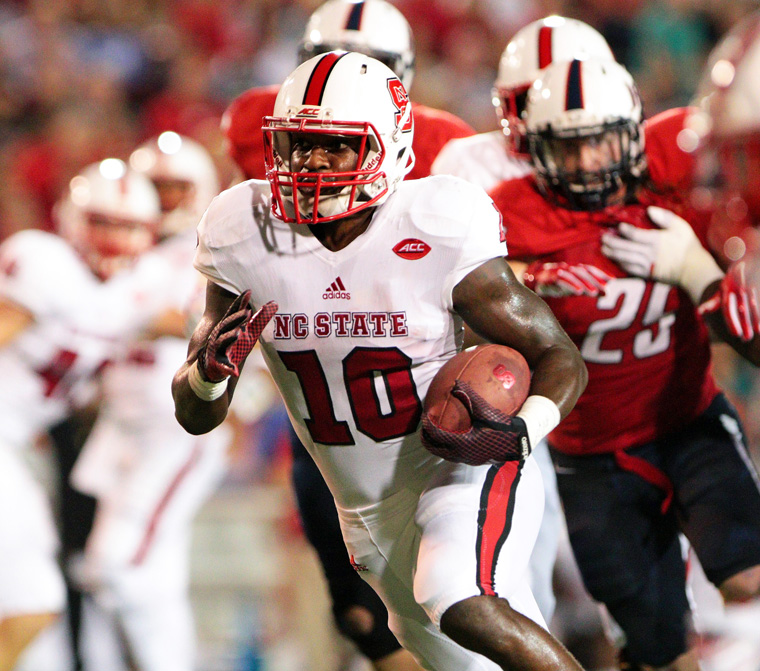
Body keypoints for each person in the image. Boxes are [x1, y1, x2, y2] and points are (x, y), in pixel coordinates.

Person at [173, 51, 589, 671]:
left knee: (460, 596)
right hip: (364, 510)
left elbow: (559, 357)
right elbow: (195, 415)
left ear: (388, 148)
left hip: (458, 459)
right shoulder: (242, 229)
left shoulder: (435, 223)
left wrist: (516, 432)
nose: (309, 163)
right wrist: (208, 376)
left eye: (334, 147)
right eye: (297, 144)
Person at [221, 2, 474, 668]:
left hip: (427, 409)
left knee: (470, 610)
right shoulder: (259, 126)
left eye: (373, 68)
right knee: (366, 617)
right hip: (325, 406)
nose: (342, 78)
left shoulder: (451, 150)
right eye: (323, 59)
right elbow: (253, 262)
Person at [487, 56, 760, 671]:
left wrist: (696, 269)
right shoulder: (511, 214)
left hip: (689, 422)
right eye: (569, 147)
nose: (587, 164)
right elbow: (457, 281)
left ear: (633, 135)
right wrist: (526, 279)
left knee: (750, 578)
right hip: (592, 459)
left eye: (601, 142)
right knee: (658, 651)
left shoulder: (681, 177)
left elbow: (749, 323)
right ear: (537, 148)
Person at [431, 14, 617, 626]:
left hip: (615, 381)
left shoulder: (621, 164)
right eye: (525, 101)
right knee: (523, 565)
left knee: (622, 580)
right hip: (519, 381)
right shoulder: (471, 163)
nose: (544, 115)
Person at [66, 133, 230, 671]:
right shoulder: (129, 252)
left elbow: (189, 320)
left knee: (116, 568)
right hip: (118, 426)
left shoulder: (202, 251)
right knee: (132, 576)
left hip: (172, 427)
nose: (161, 201)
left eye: (173, 189)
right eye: (154, 188)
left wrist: (105, 319)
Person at [0, 158, 163, 671]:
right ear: (72, 218)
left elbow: (165, 320)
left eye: (129, 226)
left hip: (15, 443)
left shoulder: (127, 296)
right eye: (103, 222)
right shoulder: (44, 261)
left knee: (35, 611)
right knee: (33, 600)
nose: (115, 238)